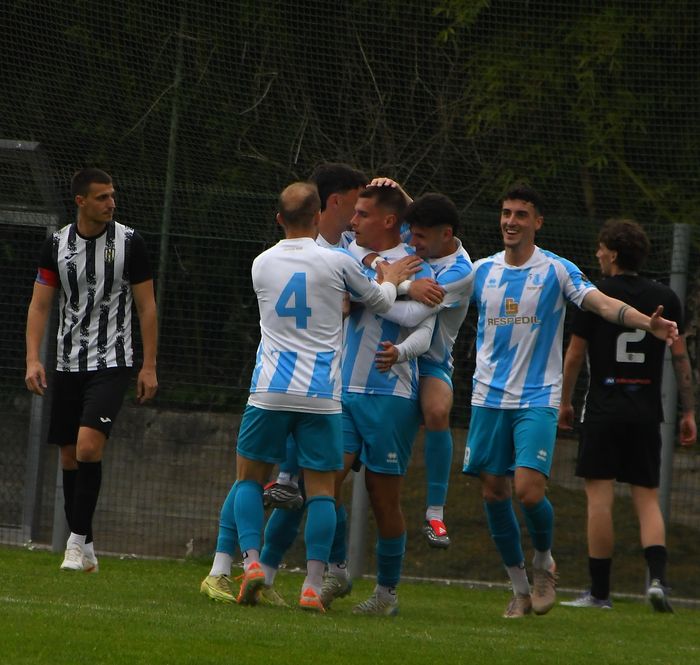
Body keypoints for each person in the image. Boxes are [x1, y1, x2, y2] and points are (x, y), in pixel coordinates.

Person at [460, 185, 679, 618]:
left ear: (537, 222)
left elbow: (603, 304)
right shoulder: (480, 271)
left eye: (521, 214)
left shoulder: (557, 270)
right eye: (506, 213)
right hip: (487, 398)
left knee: (528, 491)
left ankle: (544, 563)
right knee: (493, 493)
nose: (511, 221)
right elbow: (436, 285)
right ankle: (519, 588)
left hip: (537, 397)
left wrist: (645, 322)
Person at [199, 182, 419, 611]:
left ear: (279, 219)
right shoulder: (336, 262)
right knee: (321, 492)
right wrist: (391, 280)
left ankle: (252, 563)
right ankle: (313, 585)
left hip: (270, 390)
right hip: (321, 395)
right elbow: (378, 301)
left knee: (248, 479)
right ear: (318, 216)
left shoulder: (261, 263)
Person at [24, 167, 158, 572]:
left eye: (112, 196)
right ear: (80, 201)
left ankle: (74, 543)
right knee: (69, 456)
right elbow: (40, 305)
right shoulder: (56, 244)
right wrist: (33, 359)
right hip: (68, 363)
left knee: (87, 447)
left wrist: (149, 366)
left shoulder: (131, 243)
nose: (111, 203)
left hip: (112, 361)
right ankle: (88, 549)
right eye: (102, 197)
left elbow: (146, 307)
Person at [558, 219, 696, 612]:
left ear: (614, 253)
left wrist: (565, 402)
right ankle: (658, 582)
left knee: (599, 499)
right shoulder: (665, 297)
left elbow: (575, 355)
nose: (598, 254)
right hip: (645, 412)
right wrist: (689, 410)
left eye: (602, 248)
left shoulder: (594, 295)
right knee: (647, 499)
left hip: (603, 410)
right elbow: (680, 357)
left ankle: (600, 594)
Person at [320, 185, 437, 615]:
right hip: (344, 390)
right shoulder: (348, 255)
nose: (353, 222)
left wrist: (382, 288)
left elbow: (420, 318)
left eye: (363, 215)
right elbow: (342, 294)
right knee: (326, 483)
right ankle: (335, 571)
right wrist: (396, 285)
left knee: (383, 497)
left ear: (388, 221)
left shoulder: (420, 263)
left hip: (392, 394)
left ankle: (386, 594)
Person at [262, 163, 369, 509]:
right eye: (357, 202)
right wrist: (398, 283)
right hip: (317, 381)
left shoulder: (346, 244)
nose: (360, 212)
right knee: (320, 492)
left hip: (278, 381)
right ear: (334, 202)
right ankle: (283, 480)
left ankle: (281, 484)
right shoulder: (322, 255)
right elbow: (371, 299)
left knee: (253, 480)